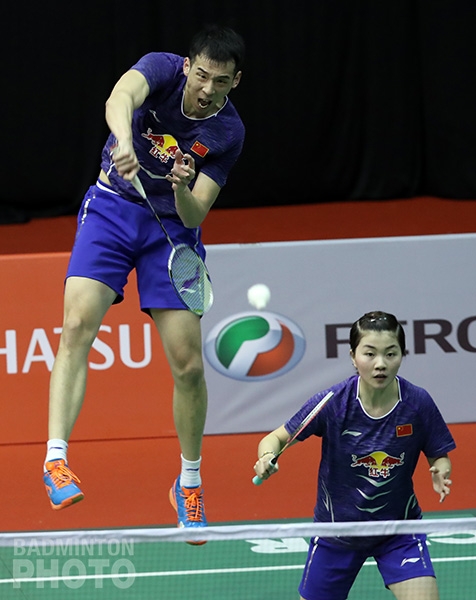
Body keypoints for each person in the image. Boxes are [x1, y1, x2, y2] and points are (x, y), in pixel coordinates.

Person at [43, 24, 245, 540]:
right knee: (76, 324)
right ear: (187, 66)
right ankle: (56, 461)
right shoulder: (161, 68)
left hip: (171, 232)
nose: (207, 89)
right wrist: (126, 142)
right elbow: (119, 98)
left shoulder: (227, 133)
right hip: (113, 206)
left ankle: (189, 482)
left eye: (220, 81)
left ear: (235, 82)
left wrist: (181, 188)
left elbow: (196, 212)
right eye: (201, 75)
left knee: (189, 364)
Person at [254, 311, 455, 600]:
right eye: (370, 354)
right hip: (337, 532)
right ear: (353, 356)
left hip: (398, 529)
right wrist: (267, 457)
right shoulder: (333, 403)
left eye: (390, 353)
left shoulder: (417, 403)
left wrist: (441, 469)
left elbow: (439, 454)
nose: (380, 364)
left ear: (402, 355)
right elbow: (275, 438)